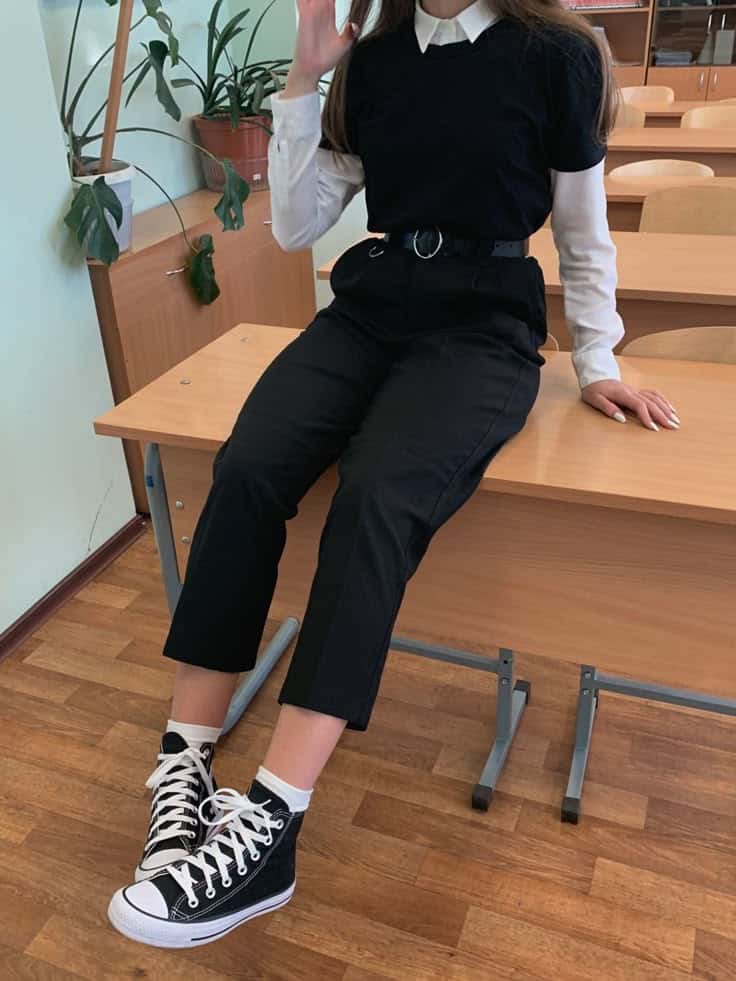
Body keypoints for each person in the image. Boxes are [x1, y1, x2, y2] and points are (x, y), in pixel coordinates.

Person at [107, 0, 679, 948]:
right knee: (245, 468)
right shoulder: (372, 63)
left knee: (375, 493)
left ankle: (274, 821)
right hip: (369, 308)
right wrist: (305, 78)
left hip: (484, 327)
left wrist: (598, 361)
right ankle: (185, 766)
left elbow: (584, 230)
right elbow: (297, 226)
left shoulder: (556, 55)